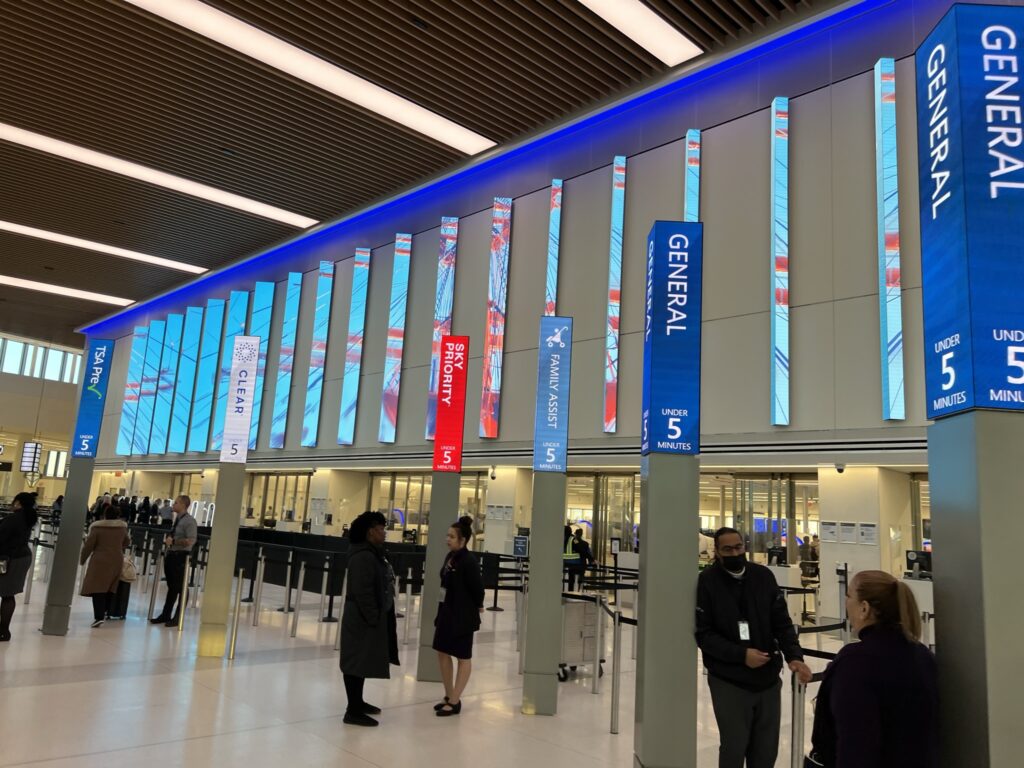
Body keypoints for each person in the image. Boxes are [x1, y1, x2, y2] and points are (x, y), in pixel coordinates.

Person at [696, 527, 812, 768]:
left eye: (738, 547)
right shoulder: (707, 581)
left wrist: (794, 656)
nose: (735, 553)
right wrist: (741, 655)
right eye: (727, 549)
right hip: (729, 679)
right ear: (716, 551)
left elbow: (781, 621)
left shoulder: (762, 576)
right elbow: (704, 635)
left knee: (766, 749)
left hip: (767, 677)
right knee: (734, 746)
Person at [806, 570, 938, 768]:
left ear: (864, 608)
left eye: (849, 595)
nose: (845, 601)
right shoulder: (922, 656)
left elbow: (856, 744)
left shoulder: (855, 663)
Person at [339, 511, 399, 727]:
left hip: (366, 617)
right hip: (361, 619)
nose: (384, 533)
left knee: (361, 661)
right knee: (355, 661)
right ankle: (352, 710)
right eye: (381, 529)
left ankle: (358, 702)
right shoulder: (362, 556)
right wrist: (374, 617)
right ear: (370, 532)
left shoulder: (372, 553)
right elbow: (362, 591)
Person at [432, 516, 485, 717]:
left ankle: (455, 700)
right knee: (442, 651)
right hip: (446, 611)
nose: (448, 539)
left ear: (462, 540)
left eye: (452, 536)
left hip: (462, 615)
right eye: (448, 535)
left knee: (463, 656)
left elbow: (478, 588)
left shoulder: (469, 561)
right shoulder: (450, 557)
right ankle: (448, 695)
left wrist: (478, 605)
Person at [79, 503, 131, 628]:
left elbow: (89, 546)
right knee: (110, 587)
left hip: (100, 560)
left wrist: (82, 559)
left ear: (104, 515)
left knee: (97, 588)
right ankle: (107, 611)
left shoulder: (97, 528)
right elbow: (127, 542)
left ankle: (98, 616)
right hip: (116, 559)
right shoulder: (122, 528)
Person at [149, 495, 196, 627]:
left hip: (180, 557)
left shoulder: (189, 521)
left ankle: (178, 616)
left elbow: (191, 540)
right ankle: (166, 614)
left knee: (181, 587)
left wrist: (174, 541)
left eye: (176, 503)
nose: (173, 505)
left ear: (183, 505)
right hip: (171, 555)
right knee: (172, 587)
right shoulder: (177, 520)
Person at [0, 492, 39, 641]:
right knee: (8, 594)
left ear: (18, 503)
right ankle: (3, 629)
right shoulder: (28, 518)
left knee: (7, 594)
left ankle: (3, 631)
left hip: (10, 559)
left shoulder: (13, 519)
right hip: (22, 557)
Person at [563, 524, 584, 590]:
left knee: (567, 581)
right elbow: (580, 548)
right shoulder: (574, 539)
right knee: (571, 580)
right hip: (574, 563)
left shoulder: (560, 539)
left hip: (564, 564)